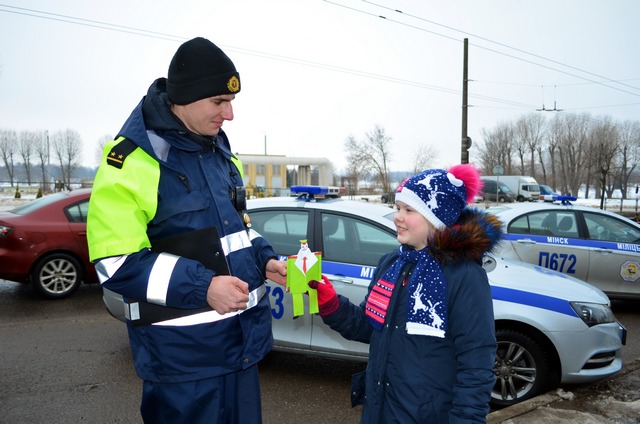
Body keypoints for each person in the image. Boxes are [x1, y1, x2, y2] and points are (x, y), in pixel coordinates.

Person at [86, 37, 287, 424]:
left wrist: (266, 260)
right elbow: (115, 262)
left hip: (240, 348)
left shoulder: (220, 152)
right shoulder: (130, 160)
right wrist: (203, 286)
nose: (229, 115)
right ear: (185, 98)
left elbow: (238, 231)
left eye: (231, 102)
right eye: (218, 102)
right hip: (183, 364)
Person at [309, 164, 503, 423]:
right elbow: (371, 328)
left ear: (437, 218)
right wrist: (332, 305)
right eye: (398, 208)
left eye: (409, 210)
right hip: (379, 410)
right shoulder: (392, 264)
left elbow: (476, 364)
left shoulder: (464, 276)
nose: (397, 217)